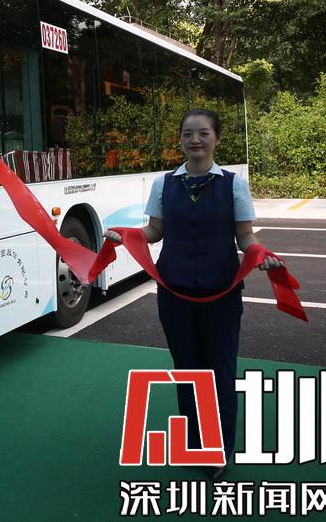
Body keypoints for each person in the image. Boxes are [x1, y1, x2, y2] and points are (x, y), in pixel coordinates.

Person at [104, 109, 283, 480]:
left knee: (220, 370)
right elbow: (154, 231)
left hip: (221, 292)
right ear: (181, 139)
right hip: (175, 292)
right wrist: (128, 235)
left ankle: (219, 451)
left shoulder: (233, 184)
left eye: (203, 133)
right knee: (187, 370)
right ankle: (194, 444)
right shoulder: (164, 184)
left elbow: (245, 236)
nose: (195, 140)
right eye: (188, 133)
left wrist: (260, 254)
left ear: (216, 138)